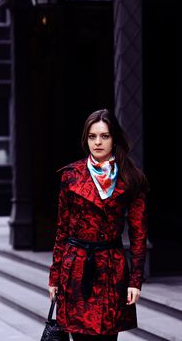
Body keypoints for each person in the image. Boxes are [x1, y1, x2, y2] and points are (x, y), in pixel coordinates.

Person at [48, 109, 149, 340]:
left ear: (114, 139)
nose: (98, 142)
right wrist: (54, 277)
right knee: (79, 335)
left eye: (104, 136)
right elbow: (62, 230)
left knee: (107, 335)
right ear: (86, 139)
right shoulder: (71, 176)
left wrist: (136, 281)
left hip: (111, 268)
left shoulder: (131, 178)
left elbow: (139, 234)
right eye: (92, 136)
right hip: (76, 268)